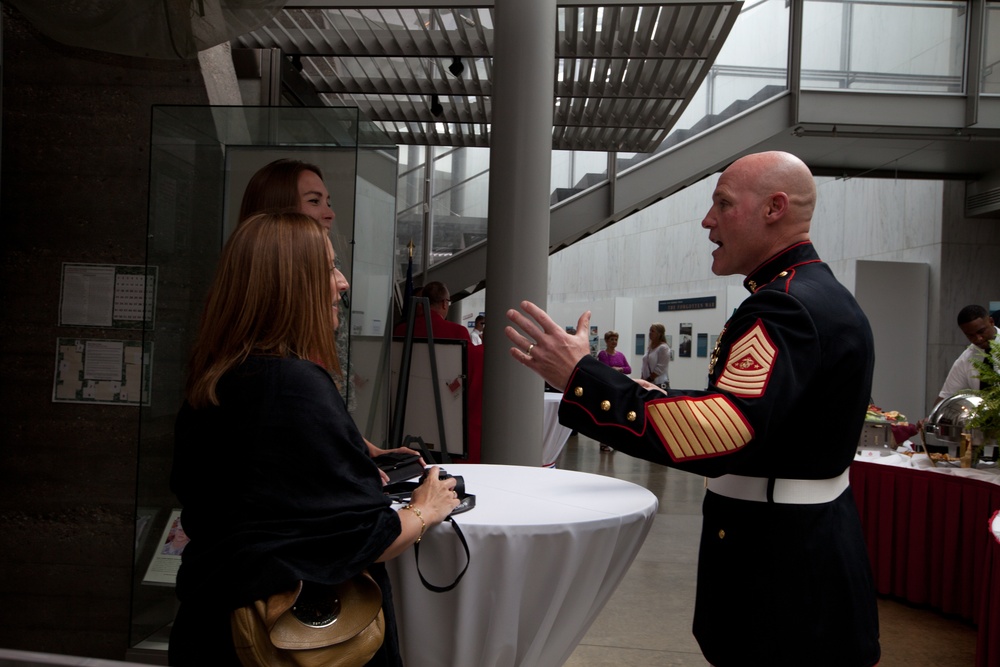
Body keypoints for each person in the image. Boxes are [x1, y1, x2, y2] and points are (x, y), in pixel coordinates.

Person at [504, 151, 880, 667]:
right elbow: (752, 416)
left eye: (722, 205)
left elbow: (723, 431)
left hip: (785, 573)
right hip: (801, 552)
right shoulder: (812, 294)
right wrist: (608, 379)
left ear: (774, 208)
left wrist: (582, 377)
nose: (707, 221)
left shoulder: (784, 306)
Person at [168, 212, 460, 666]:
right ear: (289, 285)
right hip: (279, 642)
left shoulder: (215, 379)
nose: (342, 283)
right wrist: (427, 507)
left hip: (209, 628)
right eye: (328, 268)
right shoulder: (294, 384)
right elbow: (363, 537)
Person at [239, 158, 421, 479]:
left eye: (328, 201)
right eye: (314, 201)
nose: (330, 213)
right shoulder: (272, 365)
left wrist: (363, 448)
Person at [394, 281, 482, 462]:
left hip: (406, 416)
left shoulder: (402, 330)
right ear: (444, 303)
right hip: (446, 420)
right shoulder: (457, 332)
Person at [933, 304, 997, 407]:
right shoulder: (967, 358)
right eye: (970, 335)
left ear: (991, 322)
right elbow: (947, 396)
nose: (978, 338)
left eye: (981, 331)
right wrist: (931, 419)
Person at [596, 330, 631, 452]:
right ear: (606, 341)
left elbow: (628, 369)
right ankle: (603, 442)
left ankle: (614, 441)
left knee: (616, 414)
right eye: (611, 340)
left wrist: (620, 369)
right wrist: (613, 370)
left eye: (616, 340)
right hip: (607, 387)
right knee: (606, 414)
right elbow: (604, 369)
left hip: (618, 387)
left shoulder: (620, 355)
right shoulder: (602, 354)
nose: (614, 342)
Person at [640, 323, 670, 390]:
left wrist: (648, 380)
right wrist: (642, 380)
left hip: (658, 384)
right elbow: (644, 366)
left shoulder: (663, 348)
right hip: (648, 384)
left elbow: (660, 368)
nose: (650, 333)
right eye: (649, 331)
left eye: (652, 331)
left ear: (659, 334)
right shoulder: (650, 348)